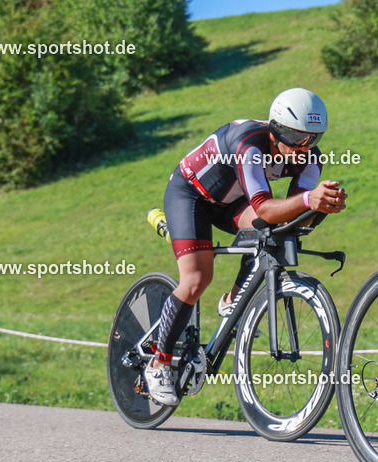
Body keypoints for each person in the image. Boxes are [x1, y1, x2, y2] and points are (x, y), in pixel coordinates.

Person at [145, 88, 347, 406]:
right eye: (296, 137)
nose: (303, 147)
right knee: (196, 279)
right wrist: (310, 199)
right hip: (191, 195)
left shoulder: (310, 160)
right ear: (275, 128)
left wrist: (322, 208)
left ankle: (234, 299)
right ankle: (158, 363)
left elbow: (296, 216)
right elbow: (267, 207)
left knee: (275, 231)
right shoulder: (249, 143)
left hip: (232, 200)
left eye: (313, 138)